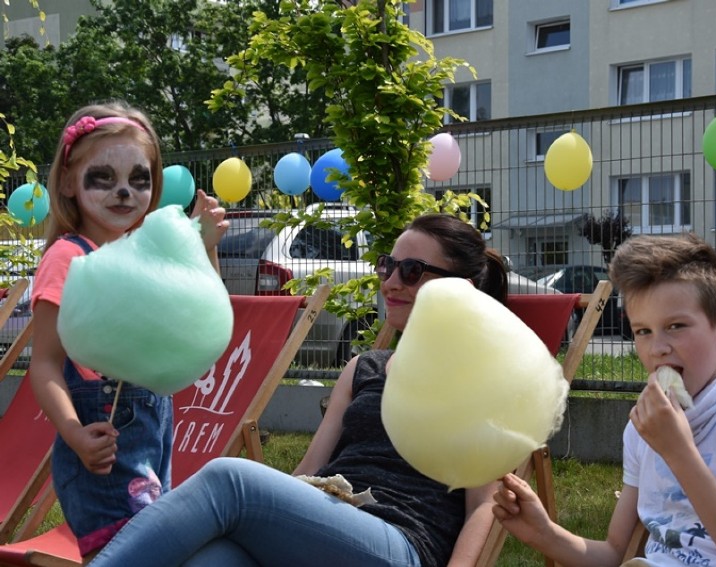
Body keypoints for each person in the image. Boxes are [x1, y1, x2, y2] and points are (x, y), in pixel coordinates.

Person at [88, 213, 509, 567]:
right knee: (212, 558)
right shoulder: (363, 369)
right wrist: (267, 517)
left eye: (411, 271)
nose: (391, 282)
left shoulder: (481, 378)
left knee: (229, 478)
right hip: (327, 525)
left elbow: (484, 509)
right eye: (387, 265)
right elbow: (309, 473)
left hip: (399, 542)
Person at [492, 233, 716, 567]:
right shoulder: (643, 429)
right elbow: (615, 552)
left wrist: (678, 452)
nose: (656, 348)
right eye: (642, 331)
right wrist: (544, 534)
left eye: (675, 326)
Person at [29, 101, 228, 558]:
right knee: (125, 554)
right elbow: (45, 363)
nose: (123, 192)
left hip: (153, 437)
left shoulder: (147, 255)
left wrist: (206, 250)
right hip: (100, 449)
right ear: (66, 181)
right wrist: (74, 432)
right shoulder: (69, 258)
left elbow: (201, 318)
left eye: (139, 179)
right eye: (103, 177)